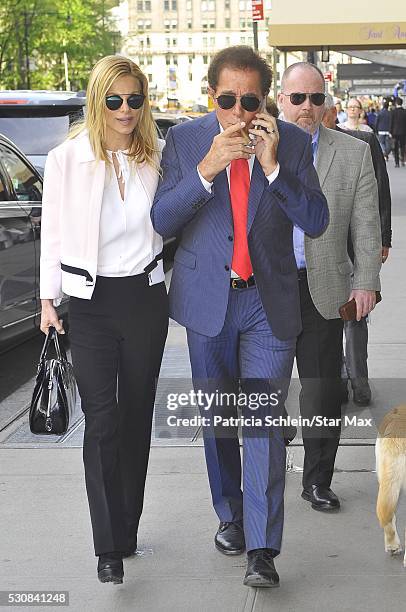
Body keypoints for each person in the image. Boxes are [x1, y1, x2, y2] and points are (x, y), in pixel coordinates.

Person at [151, 46, 329, 588]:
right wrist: (208, 168)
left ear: (264, 99)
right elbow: (161, 219)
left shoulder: (292, 144)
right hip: (208, 303)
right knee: (218, 423)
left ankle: (262, 547)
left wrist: (273, 170)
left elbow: (317, 220)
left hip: (266, 305)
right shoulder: (184, 140)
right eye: (227, 100)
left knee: (263, 426)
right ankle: (230, 512)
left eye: (249, 100)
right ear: (212, 97)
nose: (238, 112)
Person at [39, 55, 169, 584]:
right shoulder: (67, 159)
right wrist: (48, 302)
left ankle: (128, 526)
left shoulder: (158, 154)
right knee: (102, 420)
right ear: (97, 101)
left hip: (144, 300)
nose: (124, 110)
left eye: (134, 99)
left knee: (136, 417)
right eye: (114, 100)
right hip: (89, 305)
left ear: (144, 102)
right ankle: (107, 548)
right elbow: (53, 232)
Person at [278, 62, 381, 512]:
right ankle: (266, 468)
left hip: (324, 288)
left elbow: (366, 225)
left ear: (327, 102)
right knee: (266, 392)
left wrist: (366, 283)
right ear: (280, 99)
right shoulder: (254, 148)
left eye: (316, 98)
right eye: (297, 98)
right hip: (267, 293)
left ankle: (317, 479)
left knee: (322, 394)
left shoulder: (353, 152)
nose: (307, 107)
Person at [322, 93, 392, 406]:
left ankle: (359, 380)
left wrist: (383, 238)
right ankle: (336, 378)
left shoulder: (363, 142)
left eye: (323, 109)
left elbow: (381, 192)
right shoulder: (297, 148)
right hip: (321, 251)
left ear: (333, 113)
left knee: (356, 317)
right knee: (327, 318)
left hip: (356, 247)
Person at [390, 97, 406, 167]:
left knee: (395, 148)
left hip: (395, 132)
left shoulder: (393, 112)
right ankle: (403, 160)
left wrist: (390, 132)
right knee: (403, 147)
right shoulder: (405, 111)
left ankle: (397, 163)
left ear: (396, 103)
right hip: (403, 132)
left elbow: (391, 123)